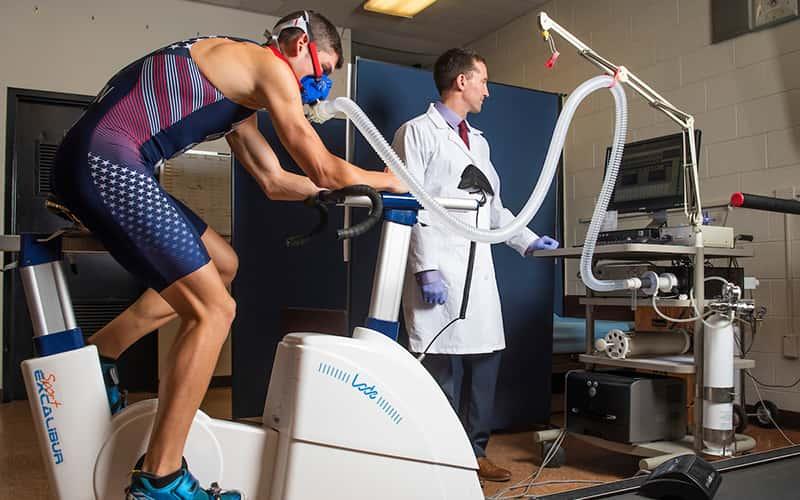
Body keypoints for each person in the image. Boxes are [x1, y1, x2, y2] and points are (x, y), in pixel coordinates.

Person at [51, 10, 403, 499]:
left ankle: (101, 354)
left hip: (102, 161)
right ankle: (161, 478)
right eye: (323, 68)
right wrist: (396, 181)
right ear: (299, 44)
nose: (319, 85)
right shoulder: (269, 66)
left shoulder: (240, 85)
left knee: (225, 264)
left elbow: (274, 179)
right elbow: (322, 165)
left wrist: (332, 195)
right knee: (216, 310)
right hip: (105, 162)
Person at [392, 48, 559, 483]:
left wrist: (527, 240)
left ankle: (475, 453)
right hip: (438, 270)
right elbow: (411, 204)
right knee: (441, 372)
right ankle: (440, 456)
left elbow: (494, 210)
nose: (487, 90)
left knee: (485, 365)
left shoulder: (479, 141)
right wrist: (424, 268)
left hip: (477, 271)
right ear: (461, 81)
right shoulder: (416, 133)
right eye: (482, 80)